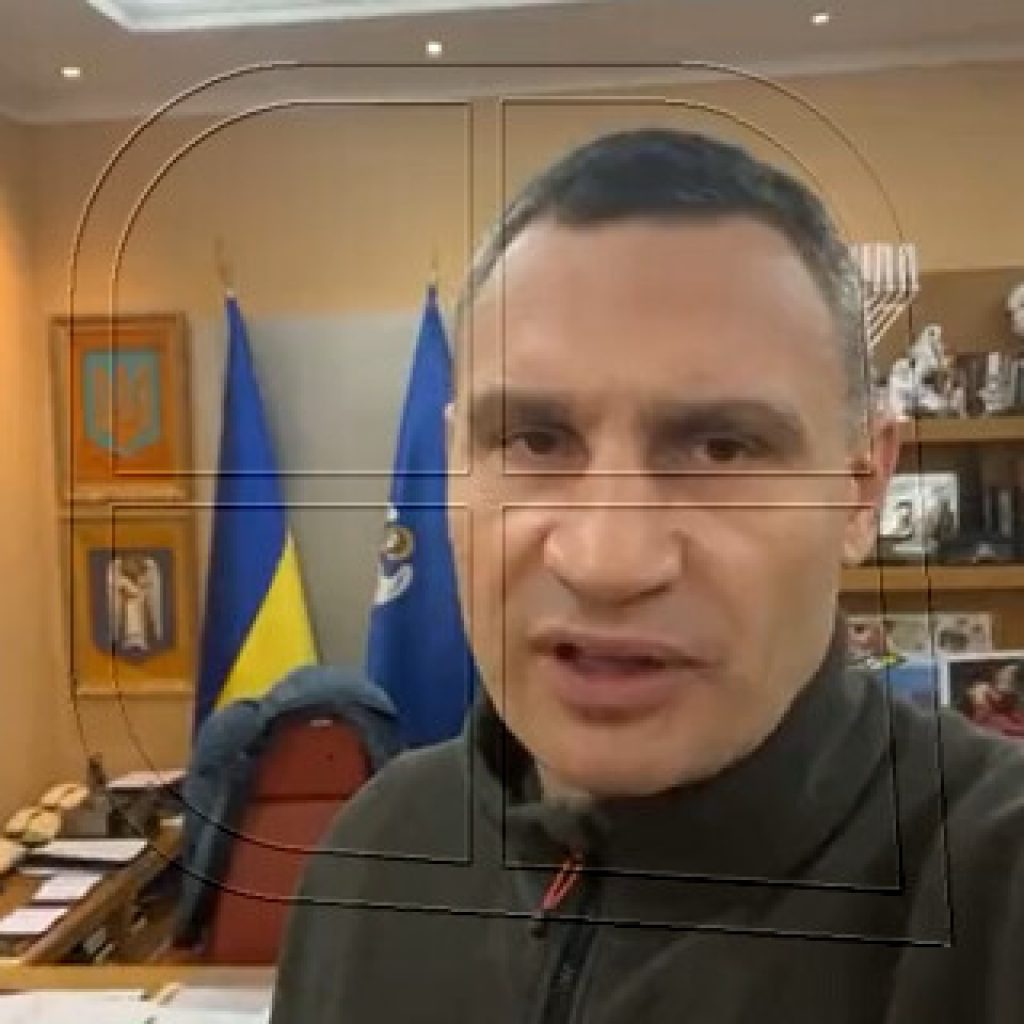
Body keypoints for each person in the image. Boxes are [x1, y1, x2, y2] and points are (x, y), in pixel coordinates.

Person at [270, 130, 1024, 1023]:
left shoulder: (993, 890)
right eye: (533, 440)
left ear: (862, 488)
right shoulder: (372, 858)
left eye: (721, 447)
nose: (607, 562)